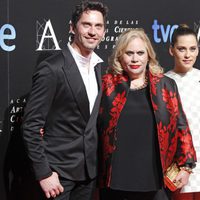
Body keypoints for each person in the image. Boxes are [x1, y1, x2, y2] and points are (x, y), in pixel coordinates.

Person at [97, 28, 196, 200]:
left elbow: (181, 126)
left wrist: (186, 166)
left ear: (148, 55)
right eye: (129, 53)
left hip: (155, 179)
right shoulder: (107, 85)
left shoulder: (165, 85)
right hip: (115, 180)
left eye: (140, 53)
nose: (135, 59)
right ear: (120, 55)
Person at [22, 1, 108, 199]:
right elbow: (31, 125)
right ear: (72, 27)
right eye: (86, 24)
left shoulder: (98, 67)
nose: (92, 32)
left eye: (98, 26)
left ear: (104, 31)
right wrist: (44, 173)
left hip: (88, 173)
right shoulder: (52, 68)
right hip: (57, 175)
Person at [165, 24, 200, 200]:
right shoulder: (163, 82)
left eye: (192, 49)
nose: (188, 55)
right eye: (181, 49)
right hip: (178, 168)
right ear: (172, 50)